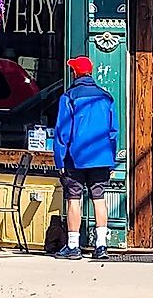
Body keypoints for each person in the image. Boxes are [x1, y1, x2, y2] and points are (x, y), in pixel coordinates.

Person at [50, 56, 118, 259]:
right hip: (101, 157)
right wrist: (111, 157)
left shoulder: (69, 97)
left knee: (74, 199)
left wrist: (59, 159)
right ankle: (101, 245)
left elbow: (63, 132)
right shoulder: (106, 97)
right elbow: (113, 131)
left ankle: (73, 246)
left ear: (75, 73)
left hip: (75, 157)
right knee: (99, 198)